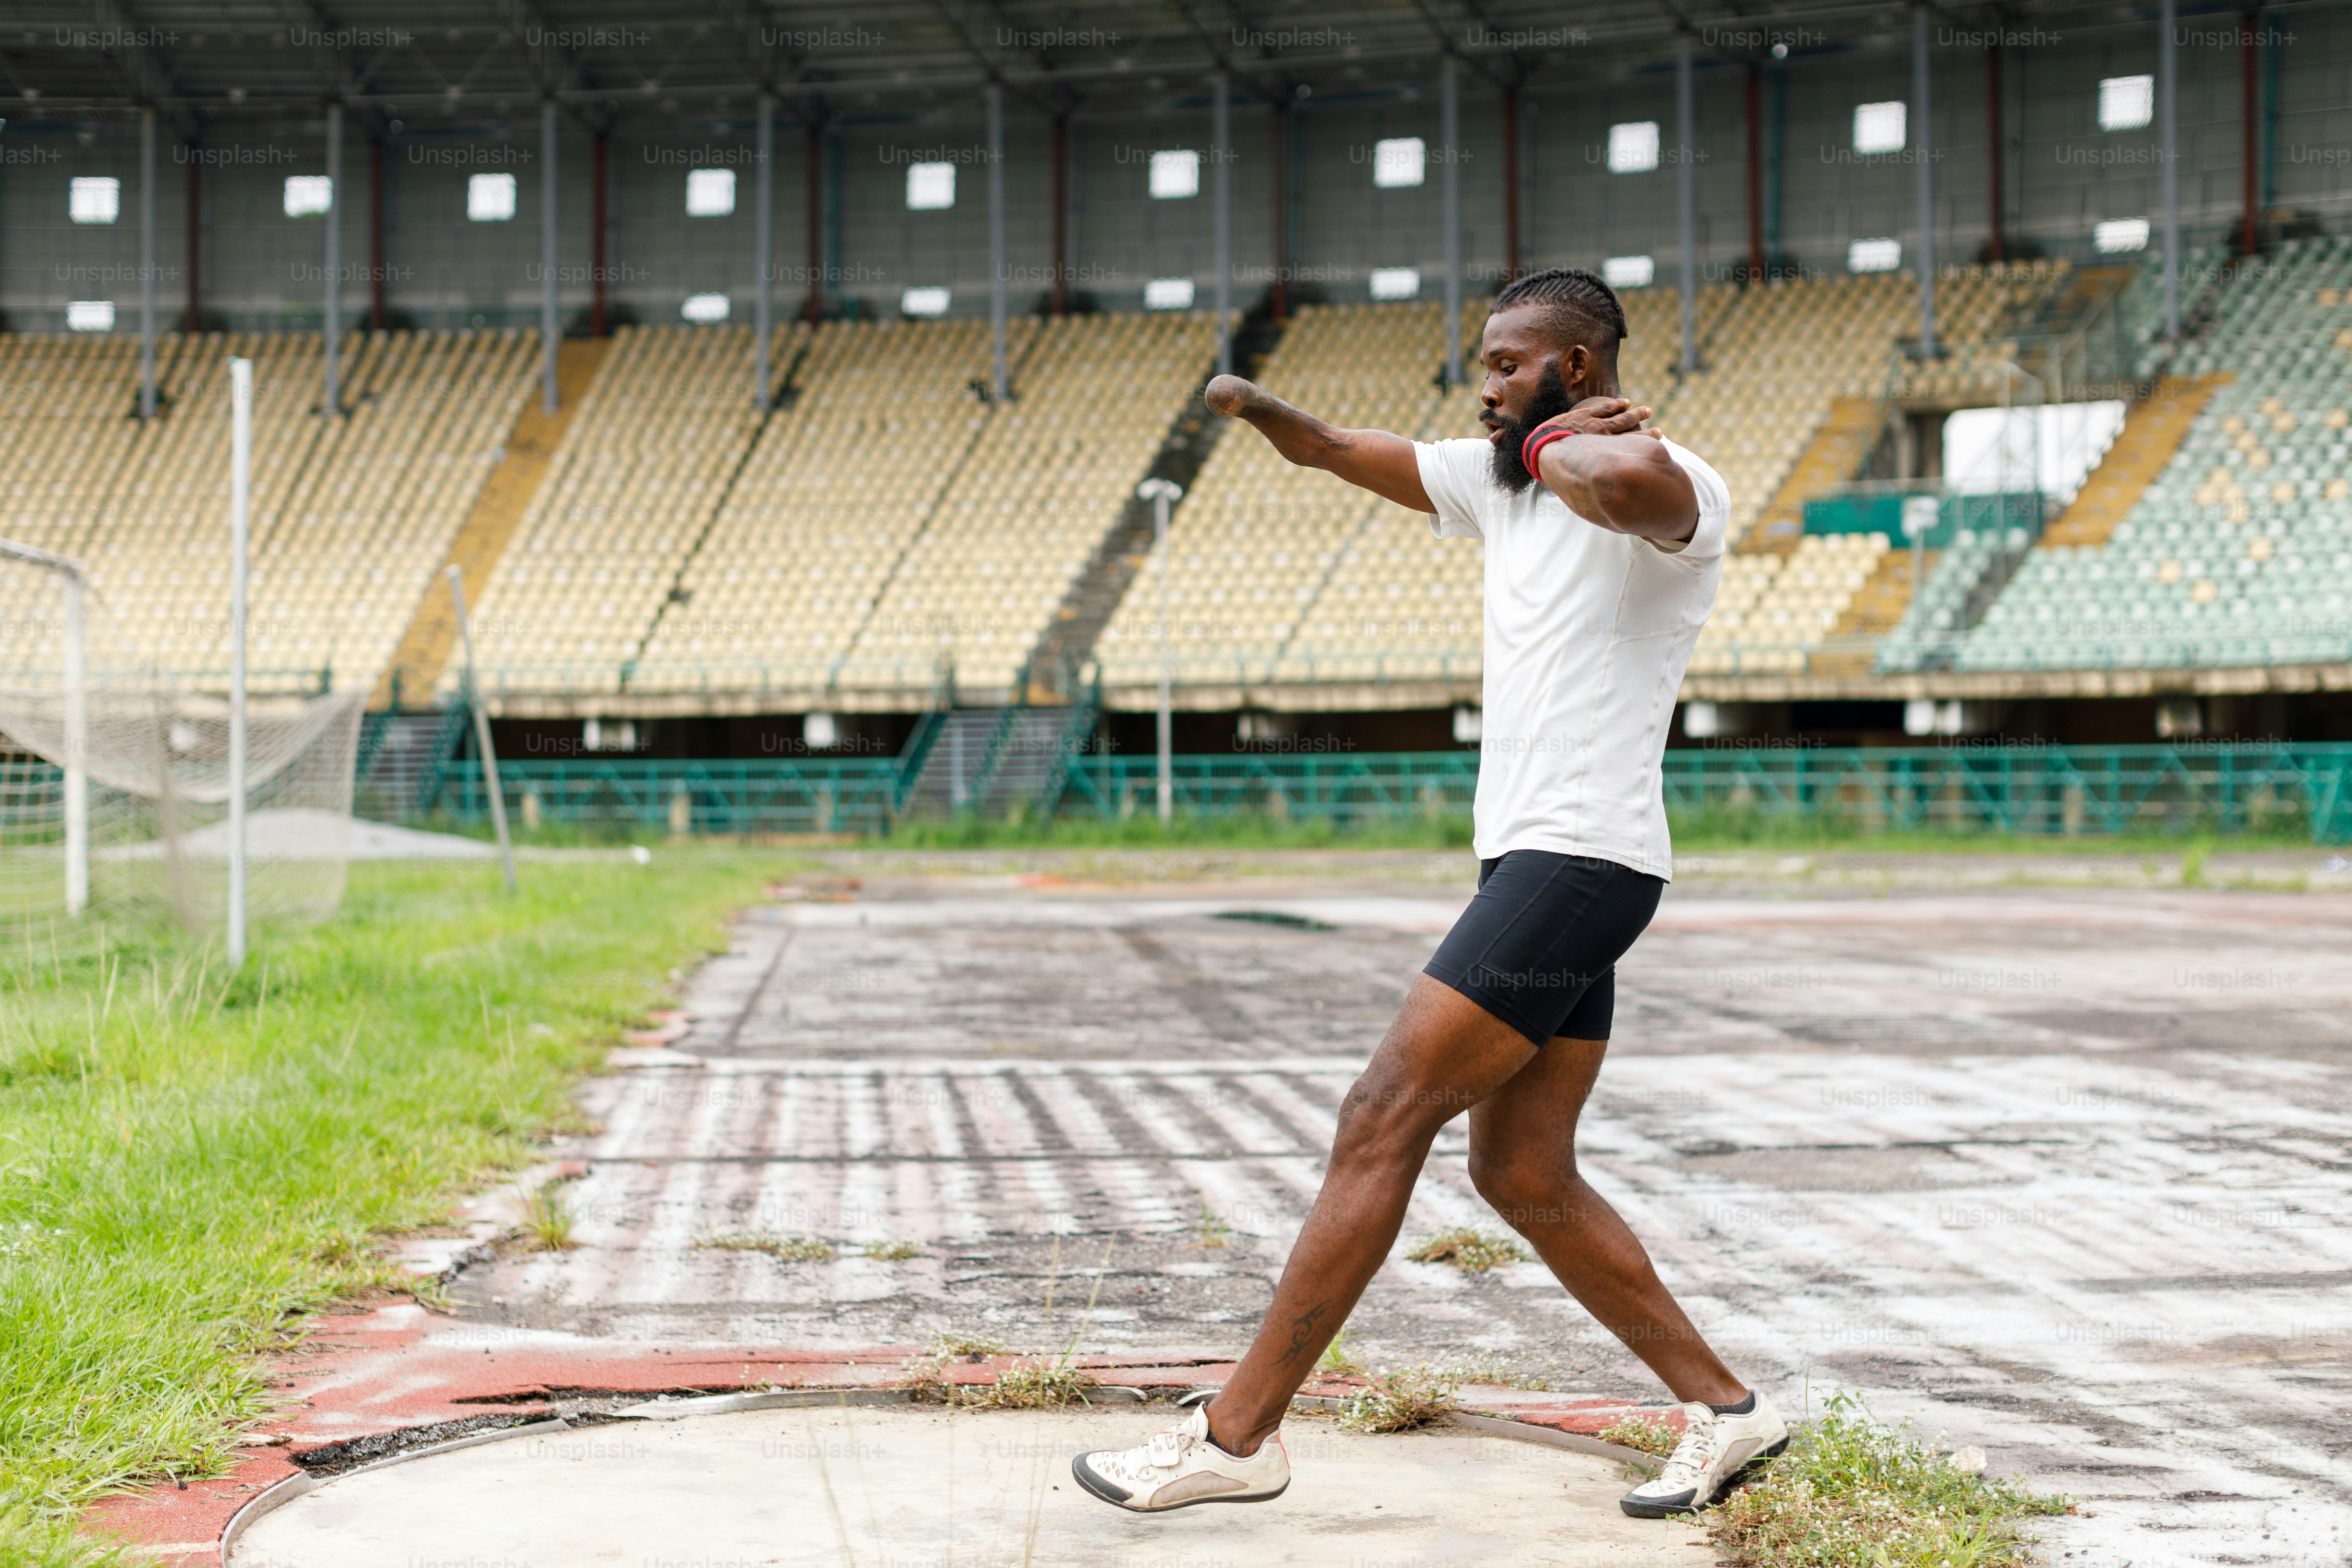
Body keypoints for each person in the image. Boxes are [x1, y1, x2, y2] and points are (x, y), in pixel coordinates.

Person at [1072, 268, 1785, 1521]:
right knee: (1521, 1173)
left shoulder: (1669, 475)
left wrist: (1563, 435)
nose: (1486, 382)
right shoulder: (1496, 482)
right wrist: (1256, 406)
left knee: (1381, 1111)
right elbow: (1343, 449)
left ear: (1575, 365)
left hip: (1582, 857)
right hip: (1539, 862)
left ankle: (1237, 1437)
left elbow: (1626, 493)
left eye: (1509, 364)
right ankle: (1728, 1411)